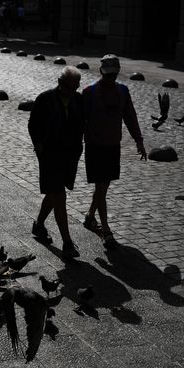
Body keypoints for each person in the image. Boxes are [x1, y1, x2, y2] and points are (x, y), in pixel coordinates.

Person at [82, 54, 147, 249]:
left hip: (112, 146)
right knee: (101, 187)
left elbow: (130, 117)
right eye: (108, 74)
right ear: (101, 71)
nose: (111, 78)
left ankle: (90, 216)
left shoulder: (123, 91)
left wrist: (139, 140)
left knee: (103, 187)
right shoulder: (89, 92)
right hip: (95, 146)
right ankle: (106, 230)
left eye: (114, 74)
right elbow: (80, 121)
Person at [28, 66, 83, 259]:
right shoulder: (45, 99)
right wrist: (38, 144)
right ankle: (67, 242)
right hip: (49, 154)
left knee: (53, 193)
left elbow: (81, 126)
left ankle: (39, 224)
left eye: (75, 87)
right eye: (69, 87)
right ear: (60, 83)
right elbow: (33, 124)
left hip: (69, 155)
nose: (72, 91)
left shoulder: (78, 100)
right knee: (59, 195)